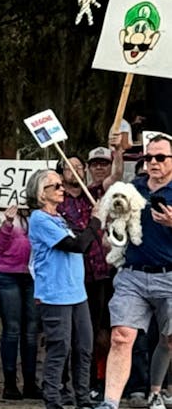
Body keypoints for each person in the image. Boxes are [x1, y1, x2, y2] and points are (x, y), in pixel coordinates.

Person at [83, 134, 172, 409]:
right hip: (132, 273)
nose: (153, 163)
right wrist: (117, 152)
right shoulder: (133, 188)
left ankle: (157, 393)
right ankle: (109, 407)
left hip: (170, 275)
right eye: (148, 158)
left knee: (171, 341)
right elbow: (110, 187)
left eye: (160, 158)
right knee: (121, 336)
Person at [27, 168, 100, 409]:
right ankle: (53, 402)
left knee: (84, 347)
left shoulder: (59, 218)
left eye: (61, 185)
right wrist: (95, 221)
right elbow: (76, 245)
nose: (61, 189)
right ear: (41, 193)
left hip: (76, 292)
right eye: (55, 186)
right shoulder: (39, 219)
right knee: (60, 348)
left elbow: (81, 240)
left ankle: (83, 399)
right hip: (55, 294)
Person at [62, 149, 117, 395]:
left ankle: (94, 381)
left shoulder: (93, 194)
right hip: (72, 274)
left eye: (78, 166)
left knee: (95, 330)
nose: (75, 170)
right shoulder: (58, 200)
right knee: (68, 332)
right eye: (68, 167)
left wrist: (119, 151)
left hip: (99, 272)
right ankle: (63, 382)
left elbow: (113, 177)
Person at [0, 189, 39, 401]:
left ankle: (30, 382)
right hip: (6, 276)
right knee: (12, 329)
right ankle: (9, 383)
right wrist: (8, 223)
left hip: (31, 276)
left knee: (31, 330)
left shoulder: (36, 215)